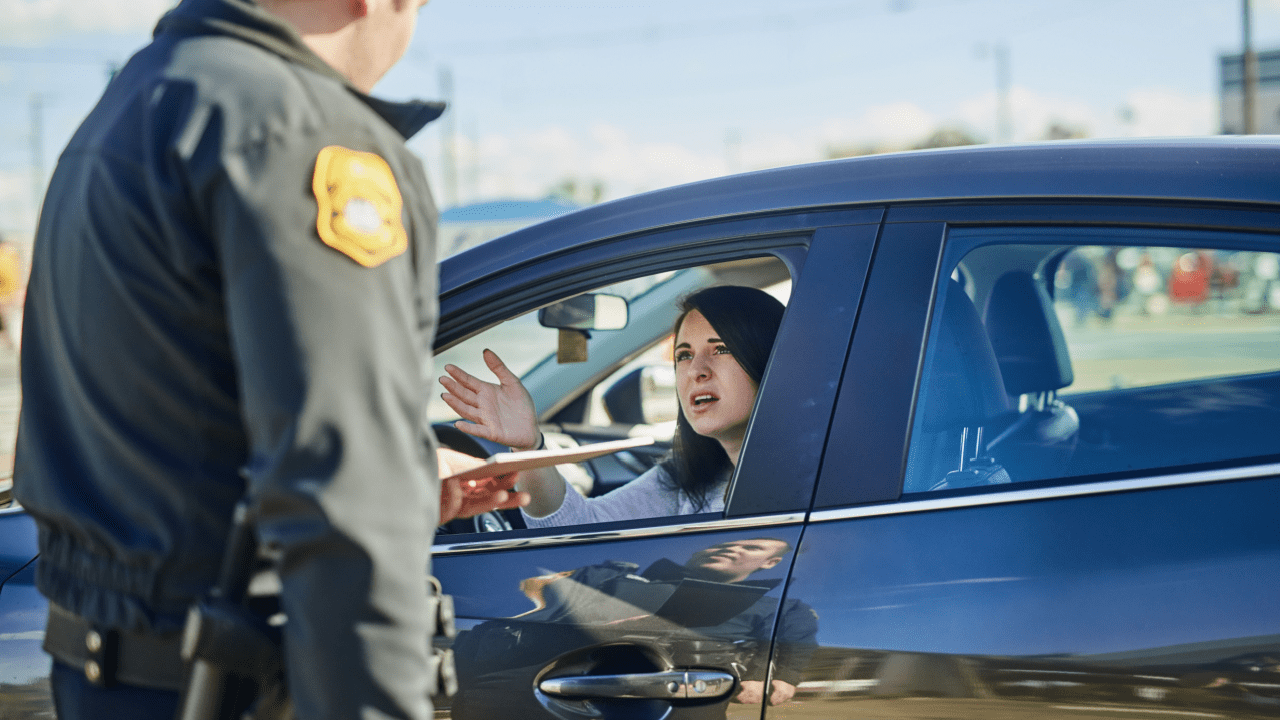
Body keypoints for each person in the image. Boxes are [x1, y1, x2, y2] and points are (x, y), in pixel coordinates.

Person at [13, 1, 525, 719]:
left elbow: (175, 431)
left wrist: (404, 475)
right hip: (227, 688)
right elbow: (341, 497)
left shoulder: (136, 101)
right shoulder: (304, 132)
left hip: (106, 676)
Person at [440, 285, 786, 527]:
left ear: (766, 357)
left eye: (721, 349)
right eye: (684, 355)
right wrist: (529, 445)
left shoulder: (818, 483)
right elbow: (578, 530)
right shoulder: (687, 477)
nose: (696, 371)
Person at [448, 536, 818, 719]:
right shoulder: (614, 573)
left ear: (770, 563)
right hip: (545, 670)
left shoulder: (778, 607)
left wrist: (776, 675)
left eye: (751, 547)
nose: (733, 548)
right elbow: (531, 598)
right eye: (724, 540)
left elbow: (790, 645)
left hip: (673, 689)